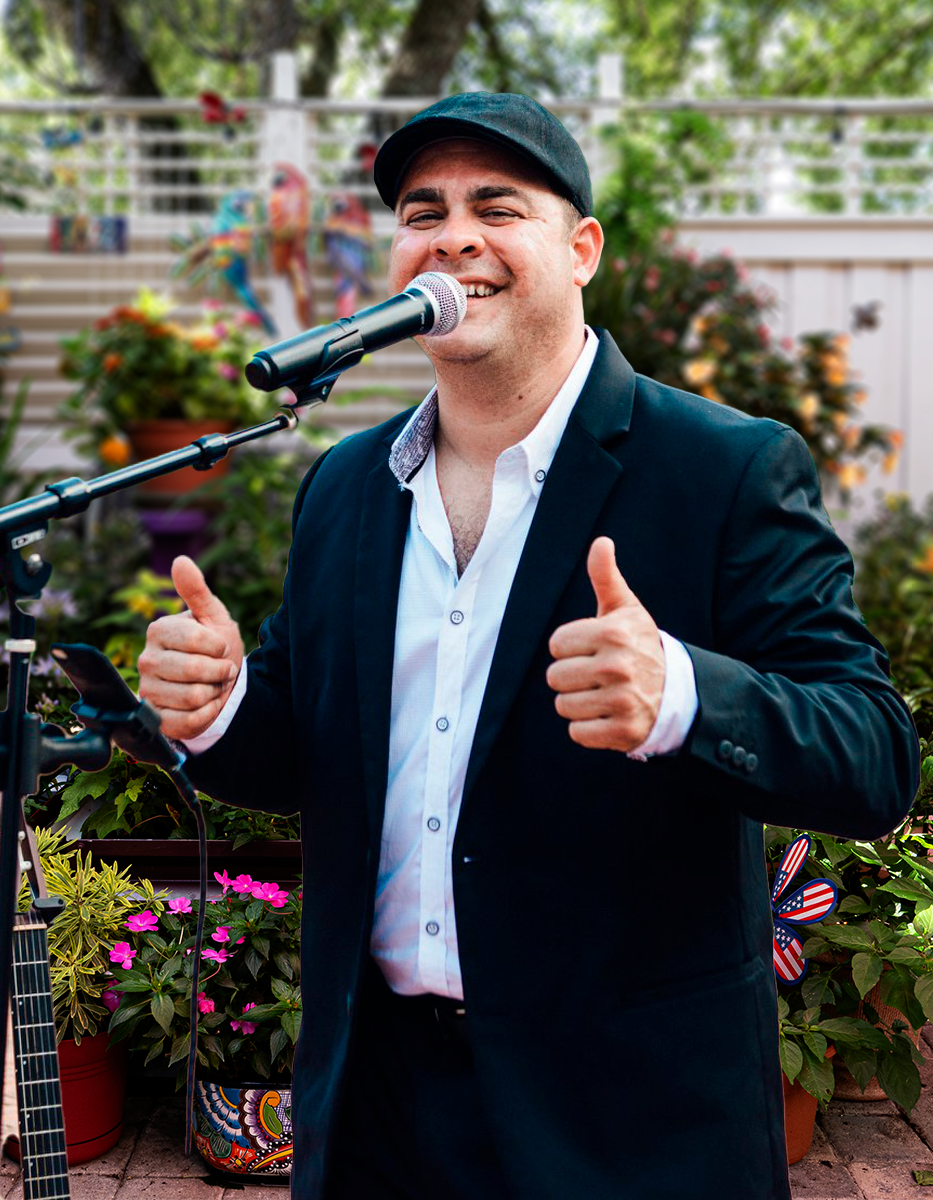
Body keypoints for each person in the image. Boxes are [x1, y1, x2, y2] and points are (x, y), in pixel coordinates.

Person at [136, 92, 920, 1200]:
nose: (453, 235)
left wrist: (686, 694)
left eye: (496, 206)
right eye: (424, 211)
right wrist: (219, 704)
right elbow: (310, 746)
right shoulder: (347, 487)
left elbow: (877, 756)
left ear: (582, 248)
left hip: (623, 1121)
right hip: (378, 1108)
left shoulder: (723, 470)